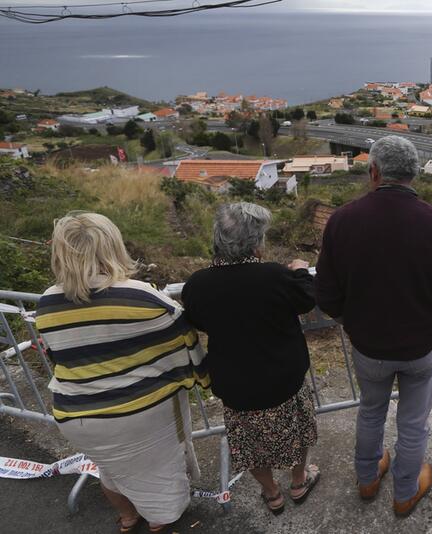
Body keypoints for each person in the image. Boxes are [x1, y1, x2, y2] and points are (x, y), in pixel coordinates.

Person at [315, 136, 432, 517]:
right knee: (413, 421)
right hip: (420, 349)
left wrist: (351, 319)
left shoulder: (342, 221)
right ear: (413, 174)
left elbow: (328, 296)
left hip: (369, 347)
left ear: (374, 172)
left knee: (370, 411)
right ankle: (404, 494)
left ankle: (367, 479)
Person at [34, 211, 208, 533]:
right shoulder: (140, 294)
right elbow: (184, 338)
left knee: (112, 471)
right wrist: (200, 376)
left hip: (77, 416)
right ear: (112, 245)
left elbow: (60, 353)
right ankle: (161, 521)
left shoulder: (46, 302)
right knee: (160, 472)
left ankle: (128, 517)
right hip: (137, 414)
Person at [181, 202, 319, 516]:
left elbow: (199, 321)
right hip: (283, 378)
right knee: (296, 433)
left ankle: (272, 493)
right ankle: (298, 482)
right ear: (256, 243)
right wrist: (299, 269)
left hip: (236, 385)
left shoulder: (197, 285)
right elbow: (307, 298)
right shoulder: (274, 276)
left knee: (249, 443)